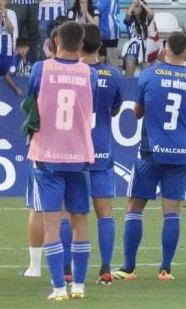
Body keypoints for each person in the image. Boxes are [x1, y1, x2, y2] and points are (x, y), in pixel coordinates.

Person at [24, 21, 95, 300]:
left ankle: (58, 287)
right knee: (80, 222)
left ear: (55, 43)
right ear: (80, 45)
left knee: (52, 223)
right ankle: (78, 285)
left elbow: (31, 100)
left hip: (48, 155)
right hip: (79, 155)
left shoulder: (41, 69)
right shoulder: (88, 73)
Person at [113, 30, 186, 282]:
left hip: (150, 152)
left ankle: (128, 267)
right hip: (180, 154)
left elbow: (137, 112)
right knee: (172, 211)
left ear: (165, 48)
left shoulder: (149, 75)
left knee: (134, 206)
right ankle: (165, 269)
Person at [75, 24, 123, 284]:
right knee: (104, 211)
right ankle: (105, 269)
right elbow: (115, 110)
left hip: (72, 150)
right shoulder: (113, 75)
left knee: (69, 213)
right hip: (101, 148)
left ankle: (68, 270)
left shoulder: (70, 72)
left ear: (79, 44)